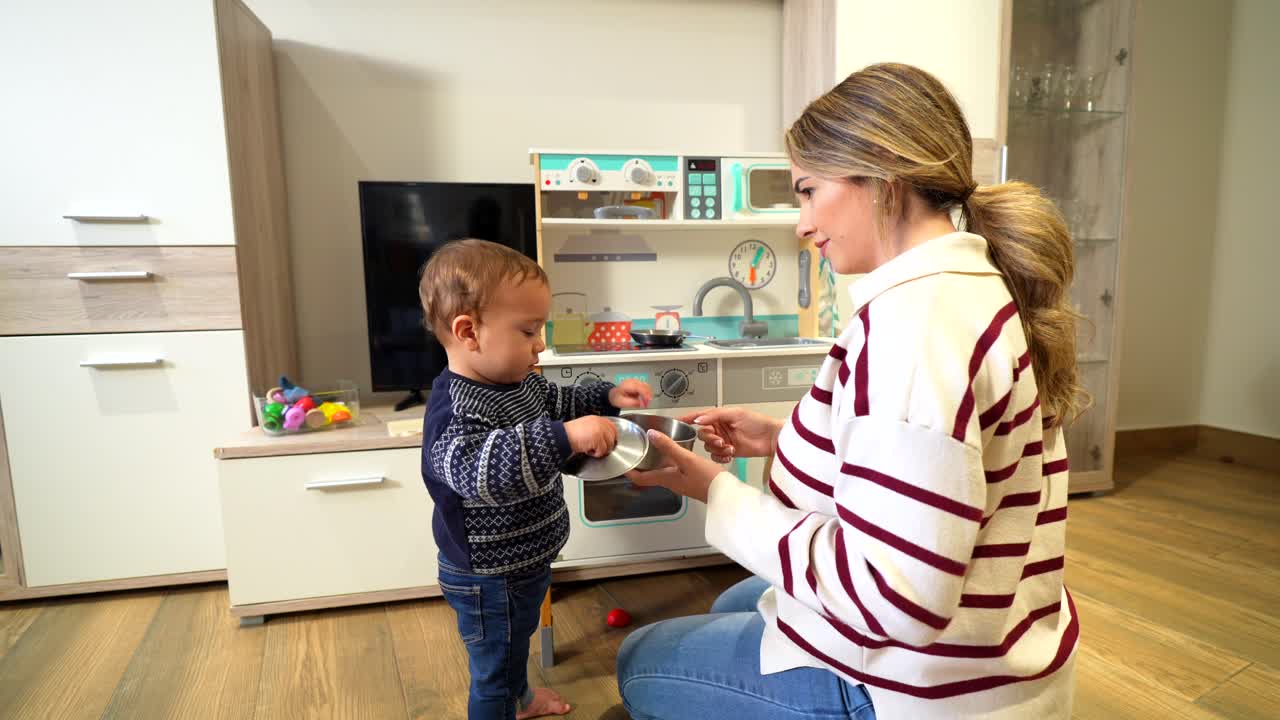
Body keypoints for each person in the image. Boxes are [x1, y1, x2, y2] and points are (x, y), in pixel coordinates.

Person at [617, 63, 1081, 719]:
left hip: (922, 694)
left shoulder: (912, 328)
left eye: (808, 191)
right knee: (736, 601)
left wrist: (711, 488)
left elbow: (896, 598)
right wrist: (780, 438)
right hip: (995, 648)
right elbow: (934, 458)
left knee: (640, 660)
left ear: (883, 169)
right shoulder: (962, 292)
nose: (802, 223)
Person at [419, 239, 653, 720]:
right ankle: (504, 705)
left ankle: (521, 700)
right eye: (528, 330)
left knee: (512, 642)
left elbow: (557, 404)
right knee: (494, 671)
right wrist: (566, 437)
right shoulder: (456, 409)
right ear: (469, 332)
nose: (540, 343)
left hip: (525, 558)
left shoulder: (518, 383)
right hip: (487, 574)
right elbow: (483, 472)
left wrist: (606, 397)